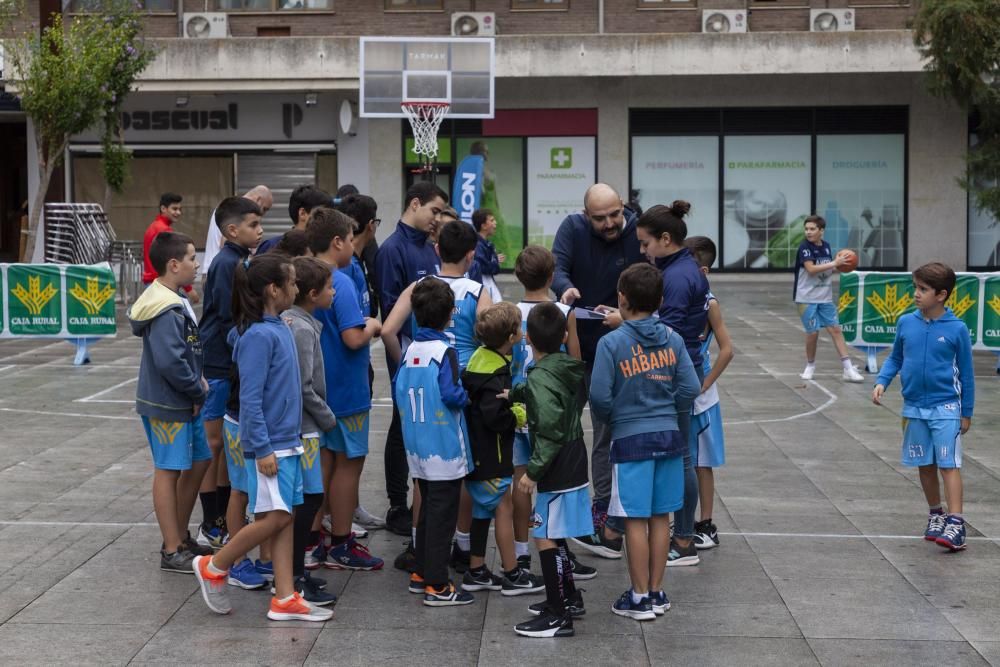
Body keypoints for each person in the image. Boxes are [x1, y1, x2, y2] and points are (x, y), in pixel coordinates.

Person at [193, 253, 333, 623]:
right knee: (275, 518)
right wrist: (262, 449)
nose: (296, 287)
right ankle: (215, 565)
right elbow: (250, 400)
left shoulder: (279, 326)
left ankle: (285, 597)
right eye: (291, 282)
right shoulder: (258, 336)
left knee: (284, 519)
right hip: (272, 446)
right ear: (274, 289)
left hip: (289, 442)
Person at [589, 263, 700, 621]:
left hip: (630, 438)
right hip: (669, 436)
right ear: (661, 300)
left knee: (633, 518)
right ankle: (656, 591)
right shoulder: (673, 338)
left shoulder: (611, 342)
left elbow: (599, 396)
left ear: (621, 299)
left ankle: (637, 598)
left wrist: (618, 417)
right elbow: (690, 389)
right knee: (659, 516)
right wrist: (670, 409)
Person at [381, 218, 491, 572]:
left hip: (422, 385)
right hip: (461, 387)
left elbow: (387, 330)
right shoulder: (477, 291)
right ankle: (459, 544)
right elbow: (491, 337)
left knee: (423, 472)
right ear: (472, 254)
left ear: (437, 249)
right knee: (459, 471)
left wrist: (406, 366)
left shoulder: (418, 287)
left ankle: (419, 546)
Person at [551, 183, 643, 558]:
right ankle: (562, 507)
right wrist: (566, 288)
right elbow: (556, 267)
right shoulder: (572, 229)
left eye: (615, 215)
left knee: (605, 432)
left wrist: (629, 316)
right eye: (600, 218)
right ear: (586, 214)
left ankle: (603, 506)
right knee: (565, 431)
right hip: (575, 349)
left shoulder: (636, 231)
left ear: (623, 207)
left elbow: (650, 282)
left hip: (616, 351)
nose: (610, 224)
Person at [873, 262, 975, 551]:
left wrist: (966, 412)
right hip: (914, 408)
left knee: (948, 464)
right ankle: (935, 514)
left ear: (941, 295)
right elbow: (896, 358)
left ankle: (956, 522)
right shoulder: (906, 323)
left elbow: (966, 374)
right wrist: (882, 381)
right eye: (916, 287)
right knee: (925, 464)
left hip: (946, 408)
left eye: (923, 289)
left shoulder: (957, 329)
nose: (916, 294)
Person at [128, 231, 212, 573]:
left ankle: (178, 534)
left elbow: (186, 352)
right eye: (193, 258)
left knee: (200, 461)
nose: (197, 264)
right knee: (168, 469)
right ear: (174, 264)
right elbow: (170, 361)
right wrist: (195, 389)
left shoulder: (175, 298)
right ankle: (171, 546)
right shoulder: (163, 308)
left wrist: (196, 384)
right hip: (168, 403)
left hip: (186, 398)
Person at [631, 201, 709, 567]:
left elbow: (670, 332)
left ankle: (683, 538)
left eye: (646, 244)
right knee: (682, 457)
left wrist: (626, 322)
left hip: (676, 375)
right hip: (682, 370)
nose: (643, 252)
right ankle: (681, 535)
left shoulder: (678, 277)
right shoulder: (682, 268)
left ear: (665, 238)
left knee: (681, 459)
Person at [307, 208, 384, 571]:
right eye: (352, 240)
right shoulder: (342, 281)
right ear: (337, 241)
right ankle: (340, 541)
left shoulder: (305, 275)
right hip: (347, 392)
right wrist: (373, 325)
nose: (355, 247)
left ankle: (312, 540)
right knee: (348, 466)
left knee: (323, 464)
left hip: (317, 392)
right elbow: (353, 337)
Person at [509, 246, 592, 580]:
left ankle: (521, 554)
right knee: (553, 486)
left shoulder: (511, 311)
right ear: (552, 275)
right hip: (552, 407)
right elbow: (574, 362)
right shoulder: (563, 310)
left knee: (521, 482)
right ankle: (560, 553)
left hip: (521, 407)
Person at [511, 303, 590, 638]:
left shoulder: (541, 377)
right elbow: (546, 393)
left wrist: (532, 473)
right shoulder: (566, 367)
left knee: (544, 536)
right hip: (574, 458)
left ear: (527, 338)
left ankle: (559, 615)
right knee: (554, 535)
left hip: (557, 465)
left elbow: (550, 430)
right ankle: (568, 598)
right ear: (565, 336)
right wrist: (515, 392)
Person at [394, 277, 474, 607]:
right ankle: (438, 585)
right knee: (443, 518)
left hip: (417, 446)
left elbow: (400, 385)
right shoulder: (446, 352)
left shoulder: (410, 349)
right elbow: (452, 394)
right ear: (449, 316)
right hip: (444, 446)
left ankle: (420, 571)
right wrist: (468, 395)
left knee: (426, 511)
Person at [375, 182, 447, 537]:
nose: (437, 219)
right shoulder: (392, 250)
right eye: (433, 211)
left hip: (433, 351)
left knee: (424, 421)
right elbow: (391, 311)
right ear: (414, 203)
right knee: (402, 423)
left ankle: (427, 492)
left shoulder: (429, 248)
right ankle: (396, 503)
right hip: (406, 352)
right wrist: (403, 358)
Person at [460, 302, 544, 596]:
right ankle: (512, 572)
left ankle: (477, 569)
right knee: (503, 509)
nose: (523, 332)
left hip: (477, 454)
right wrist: (516, 415)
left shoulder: (477, 360)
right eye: (519, 328)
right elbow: (494, 415)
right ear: (510, 337)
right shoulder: (497, 372)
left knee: (482, 512)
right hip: (492, 456)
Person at [197, 197, 264, 550]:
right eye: (253, 224)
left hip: (230, 362)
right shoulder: (227, 263)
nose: (260, 229)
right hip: (218, 363)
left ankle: (224, 515)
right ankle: (210, 521)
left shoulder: (241, 259)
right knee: (213, 444)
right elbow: (227, 316)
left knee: (225, 444)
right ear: (232, 230)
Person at [281, 256, 339, 606]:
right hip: (305, 428)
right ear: (313, 294)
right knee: (308, 499)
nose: (334, 293)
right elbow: (304, 387)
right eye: (330, 288)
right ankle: (294, 574)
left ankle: (298, 571)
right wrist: (327, 418)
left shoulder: (301, 322)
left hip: (306, 426)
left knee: (310, 498)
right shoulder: (300, 328)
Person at [335, 193, 386, 531]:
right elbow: (353, 333)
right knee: (345, 458)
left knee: (346, 458)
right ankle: (338, 529)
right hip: (344, 381)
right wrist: (374, 325)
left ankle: (345, 513)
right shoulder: (341, 273)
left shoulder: (357, 264)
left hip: (352, 375)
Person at [684, 237, 735, 550]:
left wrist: (706, 382)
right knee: (683, 461)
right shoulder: (679, 297)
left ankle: (706, 522)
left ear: (702, 270)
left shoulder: (709, 303)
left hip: (702, 401)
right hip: (679, 395)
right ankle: (685, 519)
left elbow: (727, 350)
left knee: (702, 463)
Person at [794, 215, 865, 383]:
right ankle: (810, 365)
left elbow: (827, 269)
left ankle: (848, 368)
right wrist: (835, 263)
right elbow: (811, 269)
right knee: (813, 333)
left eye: (812, 229)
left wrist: (841, 267)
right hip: (806, 298)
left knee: (835, 329)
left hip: (824, 297)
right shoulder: (804, 247)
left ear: (821, 231)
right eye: (806, 229)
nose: (808, 232)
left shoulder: (826, 246)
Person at [202, 186, 273, 277]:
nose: (264, 213)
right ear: (258, 200)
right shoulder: (235, 210)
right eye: (265, 209)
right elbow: (225, 242)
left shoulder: (232, 208)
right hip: (221, 272)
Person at [142, 193, 199, 303]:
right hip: (162, 284)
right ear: (163, 208)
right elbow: (176, 260)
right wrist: (189, 289)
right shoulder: (165, 231)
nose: (178, 212)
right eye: (174, 208)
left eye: (180, 209)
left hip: (153, 283)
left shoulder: (154, 226)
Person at [257, 185, 331, 255]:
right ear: (302, 213)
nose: (327, 219)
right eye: (321, 214)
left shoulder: (326, 249)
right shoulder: (271, 246)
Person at [468, 208, 504, 303]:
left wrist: (494, 260)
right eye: (492, 220)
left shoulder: (486, 244)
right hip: (485, 286)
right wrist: (495, 260)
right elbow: (486, 267)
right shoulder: (477, 245)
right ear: (483, 225)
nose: (495, 223)